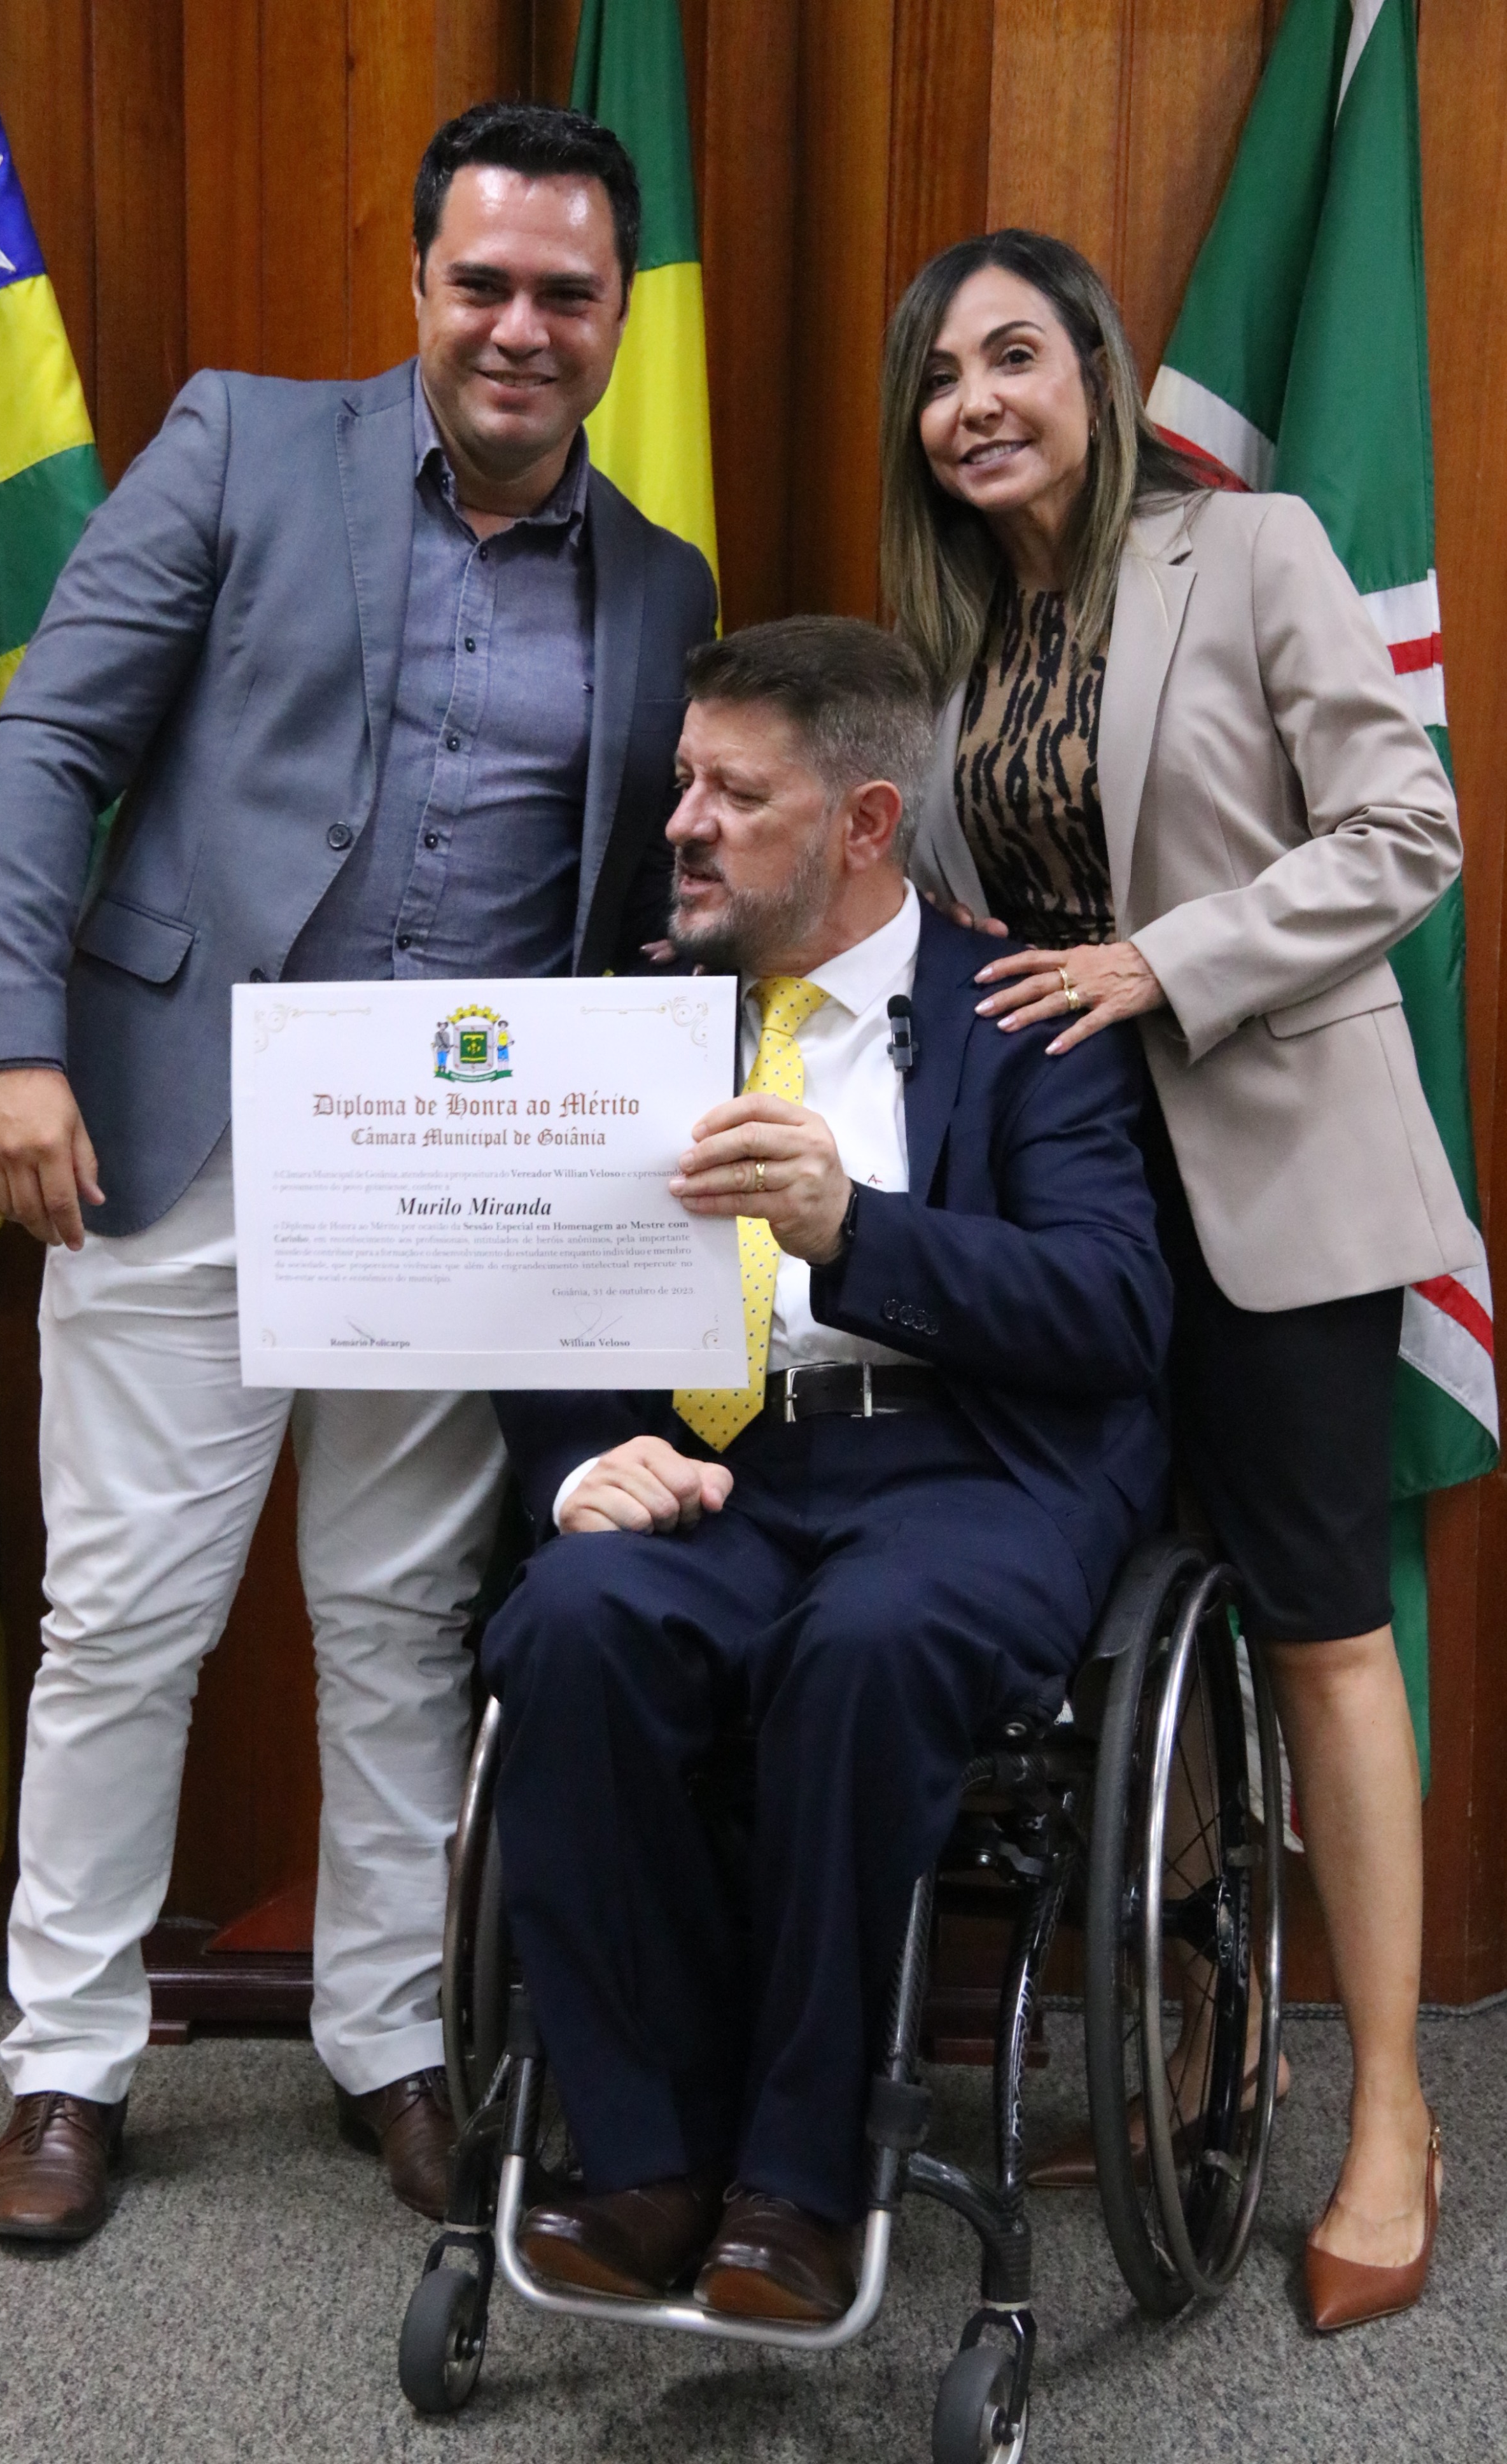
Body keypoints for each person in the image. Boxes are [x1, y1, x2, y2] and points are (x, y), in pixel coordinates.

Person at [0, 99, 717, 2246]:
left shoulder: (666, 583)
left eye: (567, 293)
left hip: (452, 1185)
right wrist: (6, 1038)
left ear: (617, 316)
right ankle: (69, 2062)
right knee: (126, 1621)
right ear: (420, 285)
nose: (522, 327)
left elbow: (642, 906)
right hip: (179, 1129)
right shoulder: (241, 444)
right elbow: (52, 745)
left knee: (398, 1625)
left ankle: (392, 2043)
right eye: (485, 282)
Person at [881, 227, 1469, 2331]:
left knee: (1314, 1625)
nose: (976, 403)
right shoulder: (951, 655)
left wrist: (1162, 962)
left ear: (1102, 373)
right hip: (1070, 1217)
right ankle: (1218, 2041)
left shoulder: (1254, 551)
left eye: (1013, 355)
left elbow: (1407, 834)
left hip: (1274, 1178)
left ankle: (1390, 2110)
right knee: (1139, 1621)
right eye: (940, 377)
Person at [480, 616, 1172, 2321]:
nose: (682, 824)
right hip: (718, 1469)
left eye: (735, 794)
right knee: (570, 1622)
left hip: (966, 1472)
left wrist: (859, 1229)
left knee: (869, 1650)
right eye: (682, 782)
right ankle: (646, 2161)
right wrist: (578, 1463)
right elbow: (531, 1286)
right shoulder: (635, 1023)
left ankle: (798, 2186)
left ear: (866, 823)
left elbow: (1114, 1309)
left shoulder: (1021, 1021)